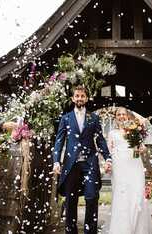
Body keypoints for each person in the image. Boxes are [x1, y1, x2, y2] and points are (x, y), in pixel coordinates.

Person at [52, 85, 112, 234]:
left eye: (82, 96)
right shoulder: (65, 119)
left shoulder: (94, 118)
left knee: (92, 197)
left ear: (86, 98)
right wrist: (56, 161)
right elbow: (59, 141)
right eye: (77, 96)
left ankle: (90, 231)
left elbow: (100, 140)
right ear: (73, 98)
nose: (79, 98)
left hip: (90, 163)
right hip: (71, 165)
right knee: (70, 201)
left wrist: (108, 158)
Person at [104, 107, 152, 234]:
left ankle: (138, 229)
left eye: (123, 114)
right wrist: (107, 164)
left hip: (135, 166)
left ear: (128, 116)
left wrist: (141, 149)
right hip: (119, 168)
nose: (121, 116)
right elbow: (108, 152)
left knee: (137, 195)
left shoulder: (135, 131)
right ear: (116, 118)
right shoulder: (112, 134)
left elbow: (143, 148)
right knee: (122, 196)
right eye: (119, 115)